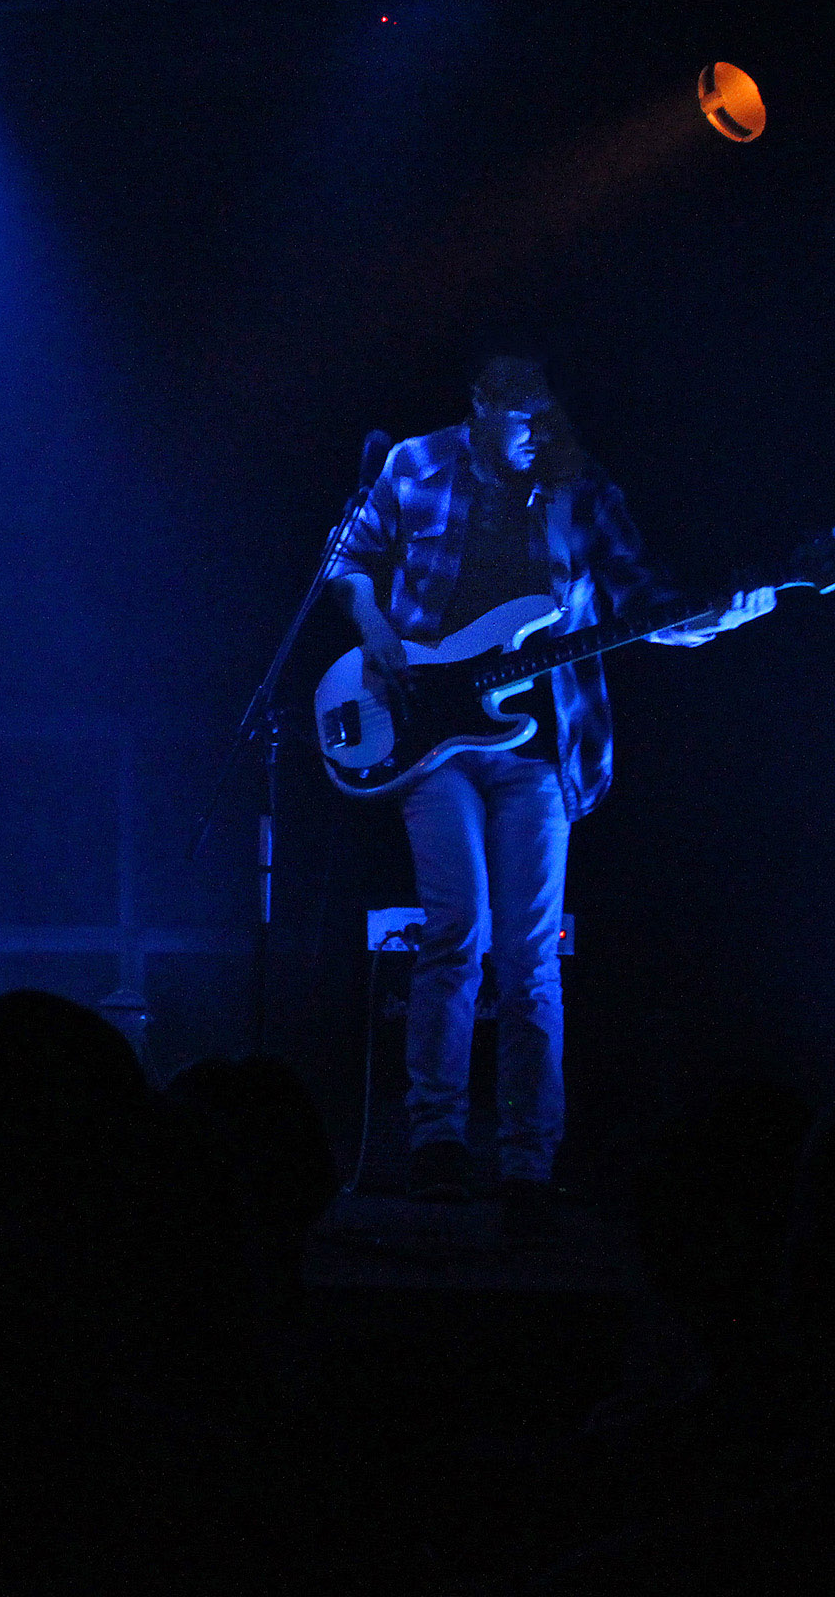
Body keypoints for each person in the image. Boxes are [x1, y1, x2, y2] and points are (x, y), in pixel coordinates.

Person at [329, 356, 776, 1212]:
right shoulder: (414, 462)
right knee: (454, 929)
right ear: (481, 410)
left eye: (548, 416)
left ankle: (528, 1158)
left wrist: (721, 614)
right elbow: (348, 558)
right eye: (522, 419)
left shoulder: (580, 486)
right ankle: (437, 1140)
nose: (540, 433)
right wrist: (377, 629)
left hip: (539, 747)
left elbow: (645, 601)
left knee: (530, 955)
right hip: (428, 738)